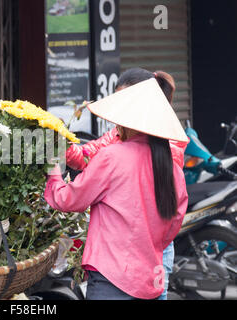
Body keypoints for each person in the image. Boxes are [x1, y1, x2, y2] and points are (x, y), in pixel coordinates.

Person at [44, 69, 189, 300]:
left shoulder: (112, 156)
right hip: (149, 276)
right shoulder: (172, 164)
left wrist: (53, 171)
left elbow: (67, 199)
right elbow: (173, 224)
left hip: (111, 277)